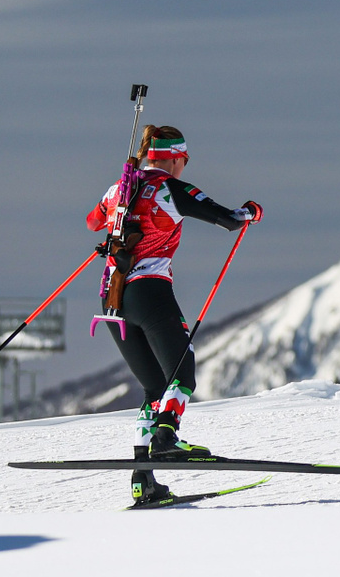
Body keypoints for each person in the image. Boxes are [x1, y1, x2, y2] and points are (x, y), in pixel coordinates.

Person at [87, 124, 262, 505]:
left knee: (153, 387)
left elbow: (93, 221)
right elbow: (229, 219)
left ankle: (144, 480)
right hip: (148, 292)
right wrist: (251, 211)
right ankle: (167, 438)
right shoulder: (170, 188)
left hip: (111, 299)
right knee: (181, 372)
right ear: (176, 158)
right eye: (184, 160)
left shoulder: (119, 188)